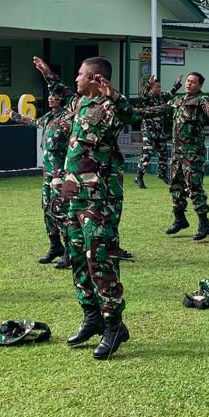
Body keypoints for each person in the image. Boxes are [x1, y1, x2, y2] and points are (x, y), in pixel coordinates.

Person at [60, 57, 135, 358]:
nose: (75, 78)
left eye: (79, 74)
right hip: (75, 194)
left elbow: (130, 115)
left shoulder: (109, 106)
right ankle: (91, 316)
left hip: (99, 197)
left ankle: (114, 324)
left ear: (94, 77)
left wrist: (113, 94)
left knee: (99, 259)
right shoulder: (80, 105)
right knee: (78, 256)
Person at [136, 71, 209, 240]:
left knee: (194, 187)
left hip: (192, 153)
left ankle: (204, 223)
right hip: (177, 152)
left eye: (193, 82)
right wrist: (138, 112)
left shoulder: (203, 99)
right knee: (175, 185)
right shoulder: (178, 100)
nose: (189, 84)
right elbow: (160, 109)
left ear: (200, 85)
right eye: (188, 81)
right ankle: (180, 219)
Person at [9, 67, 74, 265]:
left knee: (60, 210)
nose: (51, 99)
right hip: (47, 173)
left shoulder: (66, 118)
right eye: (50, 97)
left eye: (54, 97)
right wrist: (15, 116)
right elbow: (35, 122)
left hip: (60, 173)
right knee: (46, 208)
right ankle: (55, 246)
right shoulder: (49, 117)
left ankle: (69, 251)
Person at [133, 76, 174, 189]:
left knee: (164, 152)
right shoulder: (147, 97)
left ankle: (162, 174)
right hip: (148, 129)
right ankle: (139, 176)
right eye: (157, 87)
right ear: (151, 87)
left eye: (160, 86)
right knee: (148, 151)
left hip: (159, 130)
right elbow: (143, 95)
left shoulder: (161, 97)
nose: (159, 89)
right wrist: (147, 84)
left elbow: (170, 93)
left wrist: (178, 84)